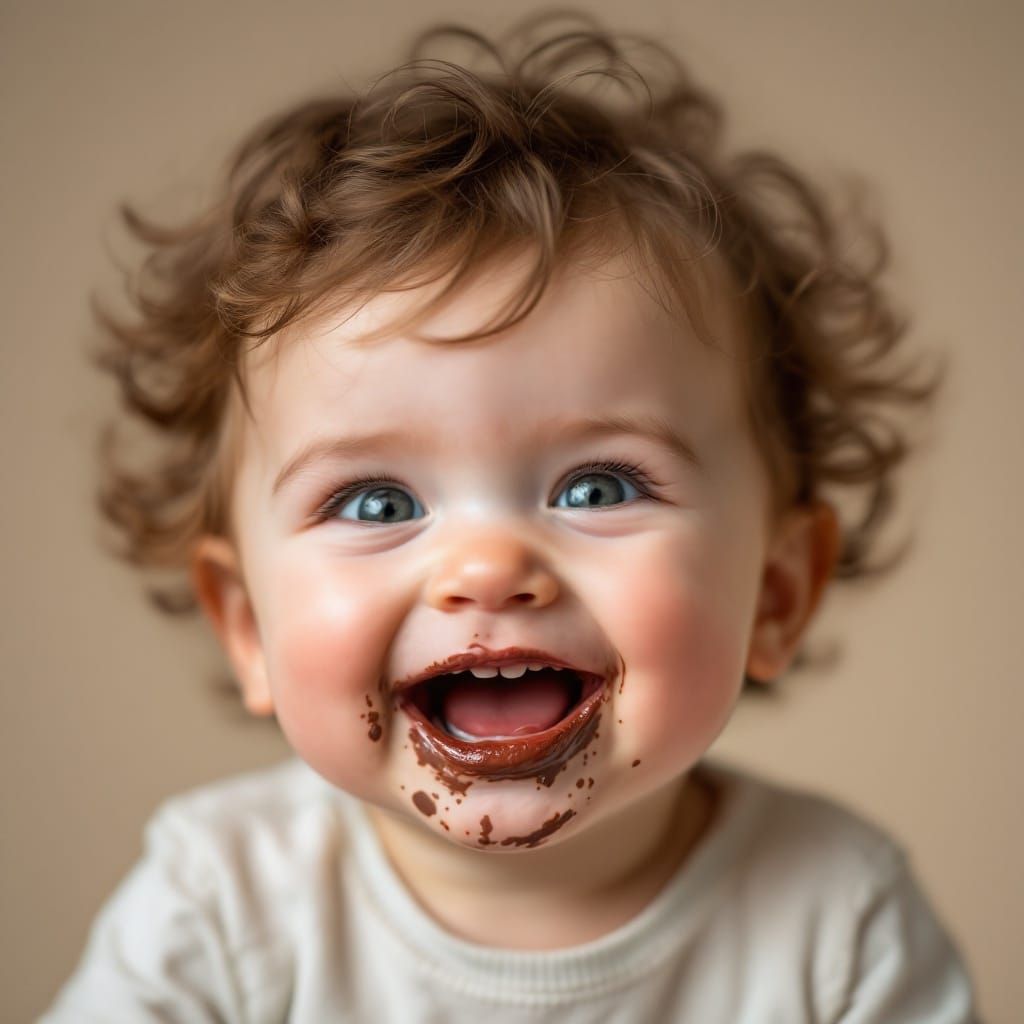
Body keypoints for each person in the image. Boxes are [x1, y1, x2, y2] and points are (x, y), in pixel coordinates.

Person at [43, 13, 978, 1022]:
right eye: (377, 502)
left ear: (777, 592)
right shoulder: (219, 908)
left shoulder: (837, 924)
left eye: (597, 488)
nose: (487, 566)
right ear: (243, 623)